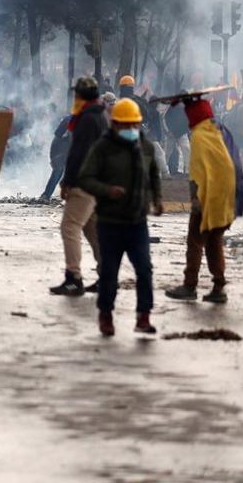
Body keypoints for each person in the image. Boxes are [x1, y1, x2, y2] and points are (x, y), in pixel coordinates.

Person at [76, 99, 163, 337]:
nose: (131, 130)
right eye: (126, 125)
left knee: (144, 270)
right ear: (114, 125)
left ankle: (143, 317)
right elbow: (86, 178)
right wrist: (107, 191)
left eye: (134, 125)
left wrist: (157, 199)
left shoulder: (146, 147)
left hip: (137, 223)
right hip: (110, 223)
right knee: (109, 273)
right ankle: (106, 315)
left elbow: (153, 174)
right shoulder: (102, 148)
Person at [165, 98, 240, 303]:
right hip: (224, 197)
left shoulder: (200, 136)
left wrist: (196, 199)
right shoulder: (219, 131)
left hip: (207, 198)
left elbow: (197, 171)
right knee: (214, 242)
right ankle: (218, 285)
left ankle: (190, 285)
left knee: (196, 242)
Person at [50, 78, 107, 296]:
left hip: (84, 182)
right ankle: (107, 274)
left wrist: (68, 181)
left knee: (70, 227)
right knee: (91, 228)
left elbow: (78, 153)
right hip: (96, 181)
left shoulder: (87, 118)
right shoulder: (100, 115)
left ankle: (73, 278)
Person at [41, 114, 71, 201]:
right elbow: (57, 137)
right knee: (58, 172)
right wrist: (54, 156)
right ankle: (46, 195)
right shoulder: (68, 120)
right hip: (63, 152)